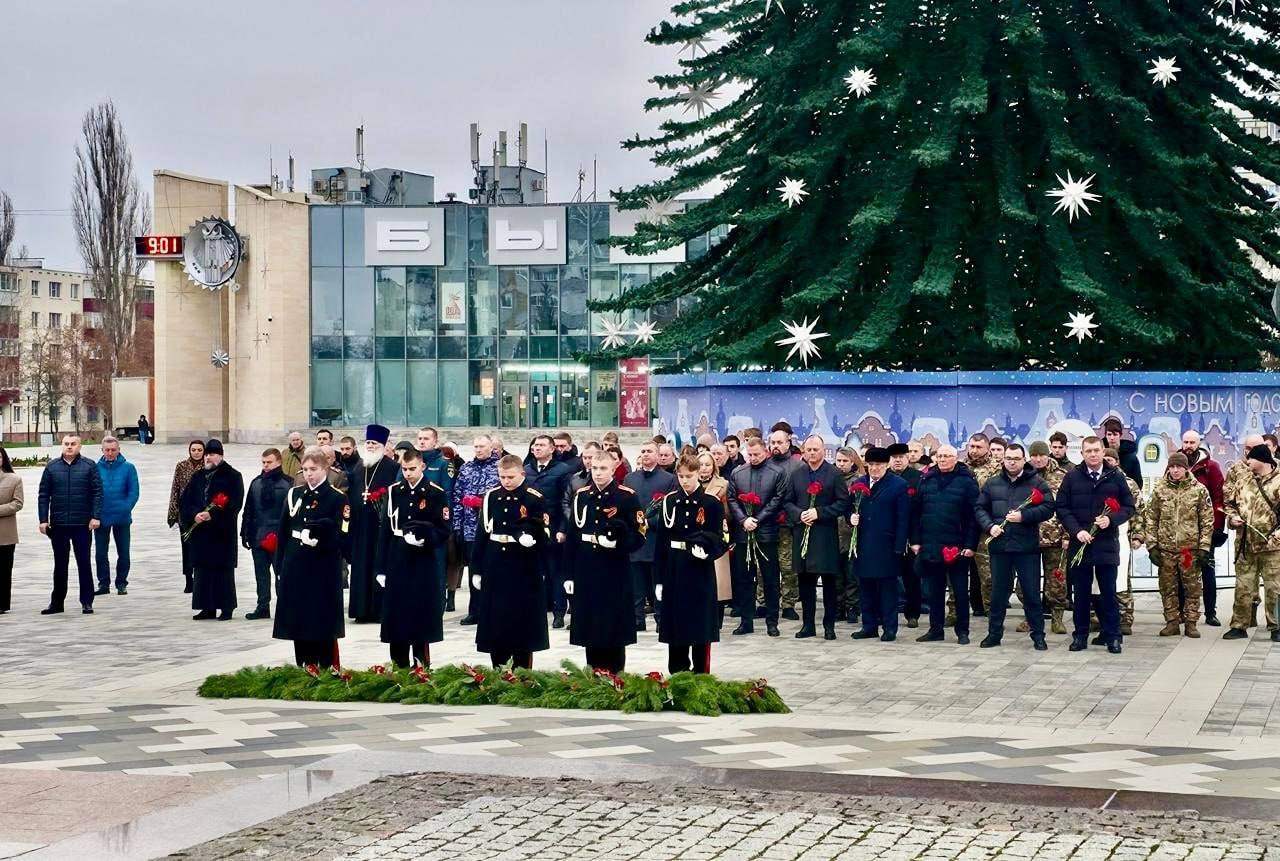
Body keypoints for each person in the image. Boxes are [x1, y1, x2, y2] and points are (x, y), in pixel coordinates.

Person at [565, 448, 644, 672]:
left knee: (613, 623)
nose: (598, 473)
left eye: (603, 469)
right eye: (595, 468)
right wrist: (569, 574)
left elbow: (639, 533)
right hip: (587, 568)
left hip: (614, 569)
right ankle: (594, 673)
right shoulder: (582, 496)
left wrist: (619, 544)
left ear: (613, 469)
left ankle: (616, 674)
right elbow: (572, 537)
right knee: (591, 623)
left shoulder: (626, 496)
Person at [1056, 436, 1135, 654]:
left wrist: (1112, 520)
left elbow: (1129, 506)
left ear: (1103, 452)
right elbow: (1062, 507)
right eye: (1088, 451)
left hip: (1106, 544)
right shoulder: (1072, 477)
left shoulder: (1116, 477)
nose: (1092, 454)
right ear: (1082, 453)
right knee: (1080, 593)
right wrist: (1076, 530)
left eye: (1096, 450)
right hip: (1079, 545)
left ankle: (1113, 636)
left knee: (1108, 593)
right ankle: (1080, 636)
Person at [272, 449, 349, 669]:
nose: (309, 474)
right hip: (296, 564)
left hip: (322, 566)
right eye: (305, 470)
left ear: (324, 468)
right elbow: (284, 532)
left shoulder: (336, 497)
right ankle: (304, 664)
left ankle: (325, 666)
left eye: (313, 469)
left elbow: (343, 535)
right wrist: (280, 566)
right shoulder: (295, 494)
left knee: (320, 617)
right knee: (299, 617)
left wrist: (322, 539)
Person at [474, 454, 551, 668]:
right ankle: (498, 667)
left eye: (510, 477)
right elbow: (482, 534)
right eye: (502, 477)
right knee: (496, 619)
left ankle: (522, 671)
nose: (506, 481)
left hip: (523, 565)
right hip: (496, 562)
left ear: (522, 474)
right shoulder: (491, 496)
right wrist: (477, 569)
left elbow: (545, 532)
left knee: (522, 620)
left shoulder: (533, 497)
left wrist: (532, 540)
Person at [974, 443, 1055, 650]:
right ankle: (994, 634)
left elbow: (1048, 508)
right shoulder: (992, 484)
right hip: (1000, 548)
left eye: (1016, 459)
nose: (1011, 462)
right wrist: (989, 526)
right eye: (1008, 458)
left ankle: (1038, 635)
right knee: (998, 593)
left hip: (1026, 548)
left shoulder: (1036, 482)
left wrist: (1024, 516)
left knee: (1030, 593)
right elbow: (980, 508)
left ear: (1023, 459)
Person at [653, 453, 728, 673]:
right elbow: (661, 543)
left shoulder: (711, 503)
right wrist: (658, 579)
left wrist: (708, 552)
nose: (685, 480)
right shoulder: (670, 501)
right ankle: (678, 673)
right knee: (676, 624)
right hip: (675, 567)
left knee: (699, 624)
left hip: (698, 569)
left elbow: (721, 537)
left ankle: (700, 674)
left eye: (689, 475)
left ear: (698, 474)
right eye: (681, 476)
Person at [377, 447, 450, 668]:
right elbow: (385, 531)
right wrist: (380, 567)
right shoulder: (394, 491)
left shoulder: (435, 493)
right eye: (404, 468)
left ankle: (421, 668)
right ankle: (398, 666)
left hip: (421, 560)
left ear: (422, 467)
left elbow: (444, 529)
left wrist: (426, 539)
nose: (408, 473)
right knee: (396, 616)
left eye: (412, 469)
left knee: (419, 615)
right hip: (398, 556)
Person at [1137, 451, 1213, 638]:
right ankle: (1172, 621)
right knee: (1167, 587)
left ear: (1186, 468)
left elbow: (1207, 520)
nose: (1175, 470)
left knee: (1192, 587)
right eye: (1172, 466)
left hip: (1189, 550)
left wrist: (1204, 547)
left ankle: (1191, 622)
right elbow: (1151, 518)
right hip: (1166, 549)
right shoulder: (1160, 490)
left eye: (1179, 467)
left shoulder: (1199, 490)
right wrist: (1152, 545)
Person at [783, 436, 850, 640]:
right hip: (802, 533)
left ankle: (829, 626)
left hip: (825, 536)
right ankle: (808, 625)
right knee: (806, 583)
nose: (812, 453)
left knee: (829, 584)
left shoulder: (834, 474)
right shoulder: (797, 474)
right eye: (809, 449)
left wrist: (819, 512)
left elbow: (842, 503)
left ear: (823, 451)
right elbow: (787, 502)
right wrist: (799, 514)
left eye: (816, 449)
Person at [911, 445, 979, 644]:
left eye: (947, 456)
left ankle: (963, 631)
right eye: (939, 456)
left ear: (956, 458)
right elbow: (916, 513)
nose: (943, 459)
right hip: (931, 545)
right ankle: (935, 629)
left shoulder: (967, 482)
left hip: (957, 547)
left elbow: (973, 518)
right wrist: (915, 541)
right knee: (935, 591)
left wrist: (970, 545)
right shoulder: (926, 479)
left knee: (959, 591)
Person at [850, 447, 910, 642]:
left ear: (887, 465)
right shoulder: (858, 483)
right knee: (865, 586)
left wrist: (899, 546)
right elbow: (848, 508)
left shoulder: (898, 485)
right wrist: (850, 517)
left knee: (887, 589)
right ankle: (869, 626)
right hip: (862, 543)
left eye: (879, 465)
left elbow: (903, 518)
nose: (874, 468)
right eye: (871, 465)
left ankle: (889, 627)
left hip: (886, 544)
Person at [38, 434, 102, 615]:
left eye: (73, 444)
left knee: (84, 563)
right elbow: (43, 495)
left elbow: (97, 492)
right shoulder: (52, 467)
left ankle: (87, 601)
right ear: (61, 445)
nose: (69, 447)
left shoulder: (89, 466)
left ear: (79, 446)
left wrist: (95, 516)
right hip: (58, 524)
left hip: (82, 524)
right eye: (66, 444)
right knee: (60, 564)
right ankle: (57, 603)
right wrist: (43, 520)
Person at [727, 436, 785, 636]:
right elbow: (732, 498)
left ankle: (772, 621)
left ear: (765, 452)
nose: (753, 458)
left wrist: (758, 519)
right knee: (744, 579)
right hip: (744, 533)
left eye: (757, 454)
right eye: (750, 455)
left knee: (770, 579)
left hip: (766, 533)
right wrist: (744, 520)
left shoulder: (777, 472)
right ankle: (746, 620)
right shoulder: (738, 472)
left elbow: (777, 500)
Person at [180, 439, 244, 621]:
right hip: (201, 532)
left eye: (212, 454)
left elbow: (235, 503)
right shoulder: (198, 476)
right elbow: (186, 501)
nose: (208, 457)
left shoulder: (232, 476)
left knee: (222, 572)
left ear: (221, 456)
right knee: (203, 571)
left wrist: (213, 515)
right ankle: (207, 607)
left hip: (221, 533)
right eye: (207, 454)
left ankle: (226, 607)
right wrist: (194, 515)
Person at [1223, 445, 1280, 641]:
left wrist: (1277, 535)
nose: (1247, 462)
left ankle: (1276, 626)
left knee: (1275, 588)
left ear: (1262, 460)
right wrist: (1232, 519)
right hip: (1245, 544)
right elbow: (1229, 504)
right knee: (1243, 586)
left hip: (1272, 546)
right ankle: (1239, 625)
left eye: (1251, 459)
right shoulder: (1244, 480)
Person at [623, 440, 678, 631]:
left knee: (658, 583)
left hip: (656, 539)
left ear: (657, 454)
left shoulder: (668, 479)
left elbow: (670, 511)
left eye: (650, 451)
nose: (646, 454)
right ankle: (637, 618)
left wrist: (650, 522)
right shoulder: (630, 479)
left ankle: (661, 617)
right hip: (636, 539)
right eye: (643, 451)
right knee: (636, 583)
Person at [347, 424, 400, 624]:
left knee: (378, 566)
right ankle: (361, 610)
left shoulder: (393, 468)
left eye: (374, 443)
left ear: (383, 445)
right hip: (361, 527)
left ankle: (378, 610)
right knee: (361, 568)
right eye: (367, 442)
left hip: (379, 527)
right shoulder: (359, 467)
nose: (369, 446)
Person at [452, 434, 500, 624]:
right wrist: (457, 526)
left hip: (492, 528)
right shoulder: (466, 468)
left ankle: (493, 609)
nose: (479, 450)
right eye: (476, 447)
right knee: (474, 570)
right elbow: (457, 497)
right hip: (471, 528)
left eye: (482, 446)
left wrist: (480, 501)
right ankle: (475, 610)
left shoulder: (498, 468)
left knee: (493, 570)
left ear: (491, 448)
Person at [241, 448, 293, 620]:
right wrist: (245, 533)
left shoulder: (288, 483)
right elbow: (249, 509)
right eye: (263, 462)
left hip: (280, 537)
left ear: (278, 462)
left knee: (282, 574)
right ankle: (262, 606)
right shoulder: (256, 483)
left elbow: (292, 513)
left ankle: (285, 607)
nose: (265, 466)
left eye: (269, 462)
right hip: (258, 535)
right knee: (261, 574)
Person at [525, 435, 572, 620]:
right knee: (534, 571)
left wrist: (562, 529)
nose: (537, 448)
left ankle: (559, 612)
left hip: (553, 527)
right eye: (535, 445)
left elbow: (565, 502)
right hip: (532, 529)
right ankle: (536, 609)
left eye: (542, 445)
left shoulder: (562, 470)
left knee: (555, 572)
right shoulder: (527, 470)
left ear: (552, 449)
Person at [1181, 431, 1225, 627]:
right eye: (1186, 442)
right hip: (1181, 529)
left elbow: (1218, 498)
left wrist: (1216, 526)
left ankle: (1210, 612)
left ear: (1199, 444)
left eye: (1192, 442)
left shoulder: (1211, 467)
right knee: (1182, 568)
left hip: (1205, 529)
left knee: (1207, 570)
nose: (1188, 445)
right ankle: (1183, 611)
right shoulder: (1175, 465)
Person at [557, 441, 601, 628]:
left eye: (592, 457)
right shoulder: (575, 478)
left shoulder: (601, 478)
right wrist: (575, 520)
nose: (588, 461)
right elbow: (566, 502)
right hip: (577, 530)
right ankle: (576, 614)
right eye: (585, 457)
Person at [1027, 441, 1069, 634]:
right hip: (1029, 538)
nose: (1037, 459)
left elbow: (1070, 507)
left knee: (1057, 582)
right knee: (1025, 583)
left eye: (1041, 455)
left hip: (1056, 538)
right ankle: (1031, 618)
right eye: (1034, 455)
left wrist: (1069, 534)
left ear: (1048, 454)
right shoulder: (1023, 476)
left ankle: (1057, 619)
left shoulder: (1062, 476)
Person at [961, 434, 1000, 618]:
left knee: (988, 574)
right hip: (963, 525)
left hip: (987, 525)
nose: (974, 450)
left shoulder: (997, 469)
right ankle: (956, 611)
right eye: (972, 446)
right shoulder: (960, 467)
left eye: (979, 447)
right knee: (958, 570)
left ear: (987, 448)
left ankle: (992, 612)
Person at [95, 436, 139, 596]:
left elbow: (133, 492)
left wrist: (126, 507)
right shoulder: (95, 468)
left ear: (119, 450)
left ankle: (121, 583)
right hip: (101, 516)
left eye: (113, 449)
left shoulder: (128, 468)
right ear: (102, 450)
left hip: (122, 517)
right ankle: (103, 584)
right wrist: (94, 513)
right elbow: (91, 492)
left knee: (124, 552)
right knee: (100, 553)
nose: (110, 453)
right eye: (107, 450)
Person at [886, 443, 923, 627]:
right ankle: (887, 612)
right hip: (888, 535)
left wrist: (916, 539)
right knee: (888, 577)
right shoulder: (884, 477)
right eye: (894, 457)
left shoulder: (918, 478)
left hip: (910, 536)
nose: (898, 460)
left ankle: (913, 613)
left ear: (907, 458)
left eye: (901, 456)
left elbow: (920, 512)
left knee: (911, 577)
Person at [767, 428, 802, 621]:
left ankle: (789, 603)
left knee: (788, 566)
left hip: (789, 525)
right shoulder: (765, 465)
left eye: (780, 443)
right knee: (765, 567)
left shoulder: (797, 467)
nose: (776, 446)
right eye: (773, 443)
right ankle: (764, 602)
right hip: (767, 524)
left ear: (788, 443)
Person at [168, 441, 205, 593]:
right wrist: (173, 512)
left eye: (199, 450)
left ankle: (200, 578)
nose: (196, 452)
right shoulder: (182, 466)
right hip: (185, 514)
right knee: (187, 548)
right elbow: (175, 488)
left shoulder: (207, 466)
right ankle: (188, 579)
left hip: (202, 513)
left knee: (201, 548)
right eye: (193, 450)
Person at [833, 447, 864, 624]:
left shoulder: (858, 481)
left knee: (851, 573)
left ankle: (852, 606)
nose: (841, 464)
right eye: (839, 461)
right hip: (833, 531)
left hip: (851, 532)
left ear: (852, 462)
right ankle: (838, 606)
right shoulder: (831, 478)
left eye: (845, 461)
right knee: (836, 573)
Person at [0, 447, 22, 613]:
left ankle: (2, 604)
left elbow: (17, 503)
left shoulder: (13, 479)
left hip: (5, 534)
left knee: (4, 570)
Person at [1103, 418, 1143, 489]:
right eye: (1109, 434)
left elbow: (1138, 482)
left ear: (1120, 435)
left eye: (1115, 434)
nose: (1112, 438)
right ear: (1105, 435)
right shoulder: (1099, 454)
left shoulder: (1131, 457)